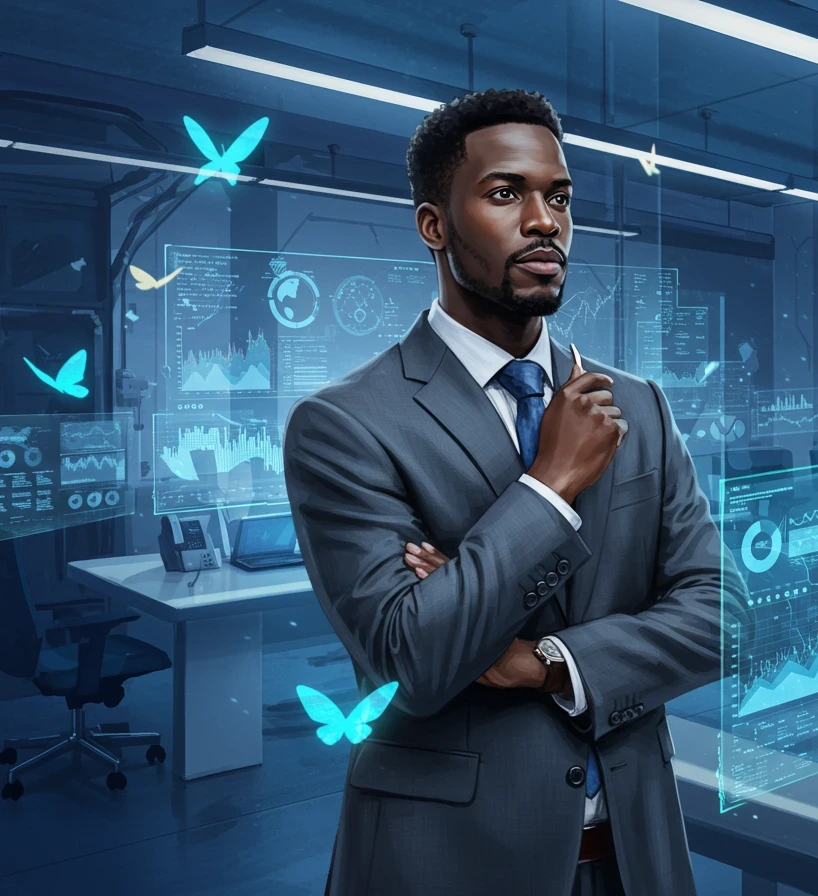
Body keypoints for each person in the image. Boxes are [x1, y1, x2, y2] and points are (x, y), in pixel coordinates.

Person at [282, 87, 749, 896]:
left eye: (559, 197)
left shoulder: (636, 403)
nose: (545, 222)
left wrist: (545, 663)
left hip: (635, 858)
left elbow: (723, 618)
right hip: (448, 863)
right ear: (435, 225)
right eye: (506, 193)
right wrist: (551, 483)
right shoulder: (345, 424)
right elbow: (413, 659)